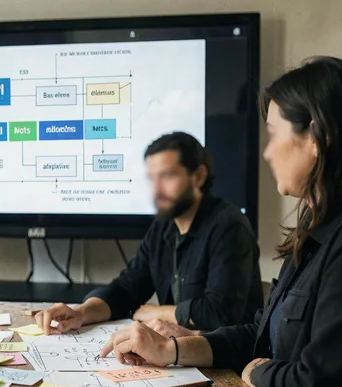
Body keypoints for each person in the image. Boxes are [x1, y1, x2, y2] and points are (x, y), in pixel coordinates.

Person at [100, 57, 342, 387]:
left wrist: (256, 370)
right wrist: (172, 349)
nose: (267, 153)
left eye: (274, 134)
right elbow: (262, 333)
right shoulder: (323, 224)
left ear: (317, 137)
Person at [36, 132, 263, 337]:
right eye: (152, 178)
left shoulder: (229, 227)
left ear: (198, 177)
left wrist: (158, 312)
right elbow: (126, 289)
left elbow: (219, 315)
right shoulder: (163, 227)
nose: (156, 190)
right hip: (180, 354)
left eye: (167, 176)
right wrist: (81, 313)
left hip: (230, 364)